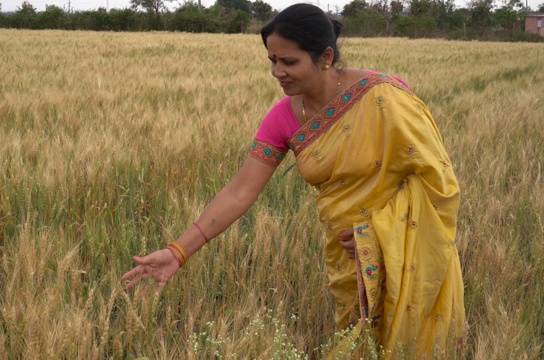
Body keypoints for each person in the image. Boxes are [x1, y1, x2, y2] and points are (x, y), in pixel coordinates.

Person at [122, 3, 466, 357]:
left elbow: (437, 179)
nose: (277, 72)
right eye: (272, 61)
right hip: (348, 262)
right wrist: (178, 252)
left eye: (289, 62)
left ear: (325, 56)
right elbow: (241, 191)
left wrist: (379, 233)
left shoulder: (384, 96)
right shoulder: (283, 118)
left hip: (407, 249)